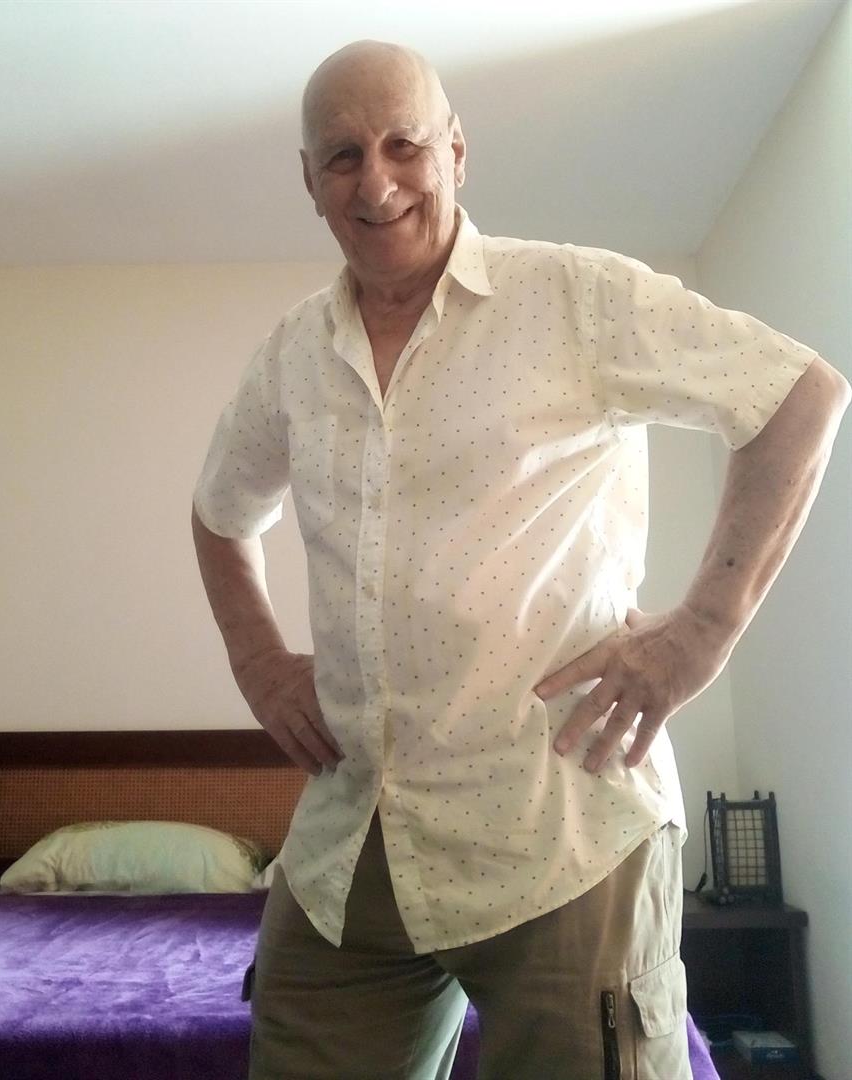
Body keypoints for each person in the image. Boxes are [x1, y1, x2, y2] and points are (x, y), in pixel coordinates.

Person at [192, 39, 849, 1080]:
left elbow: (796, 397)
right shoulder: (290, 358)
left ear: (455, 150)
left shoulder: (573, 298)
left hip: (560, 829)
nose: (376, 183)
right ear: (308, 179)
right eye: (343, 156)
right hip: (355, 844)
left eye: (404, 145)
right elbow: (220, 513)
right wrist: (260, 664)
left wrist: (700, 633)